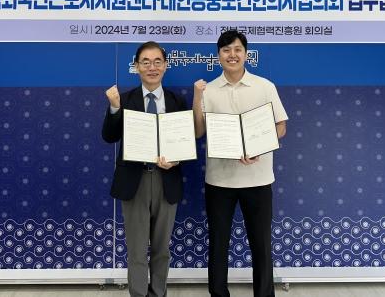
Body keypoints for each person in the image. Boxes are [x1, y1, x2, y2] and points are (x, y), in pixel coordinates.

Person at [192, 30, 288, 297]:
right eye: (226, 50)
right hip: (219, 180)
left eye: (237, 49)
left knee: (261, 244)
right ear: (218, 55)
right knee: (218, 243)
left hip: (258, 179)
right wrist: (197, 97)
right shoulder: (208, 89)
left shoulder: (265, 86)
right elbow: (198, 132)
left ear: (246, 54)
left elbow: (281, 126)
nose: (232, 55)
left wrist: (257, 146)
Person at [102, 41, 186, 297]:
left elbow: (185, 142)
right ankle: (139, 294)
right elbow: (109, 136)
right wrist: (114, 107)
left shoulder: (176, 100)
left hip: (166, 179)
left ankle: (158, 293)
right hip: (134, 181)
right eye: (146, 62)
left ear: (166, 66)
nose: (152, 67)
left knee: (162, 249)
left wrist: (177, 159)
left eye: (157, 61)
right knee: (137, 249)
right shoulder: (124, 99)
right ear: (136, 66)